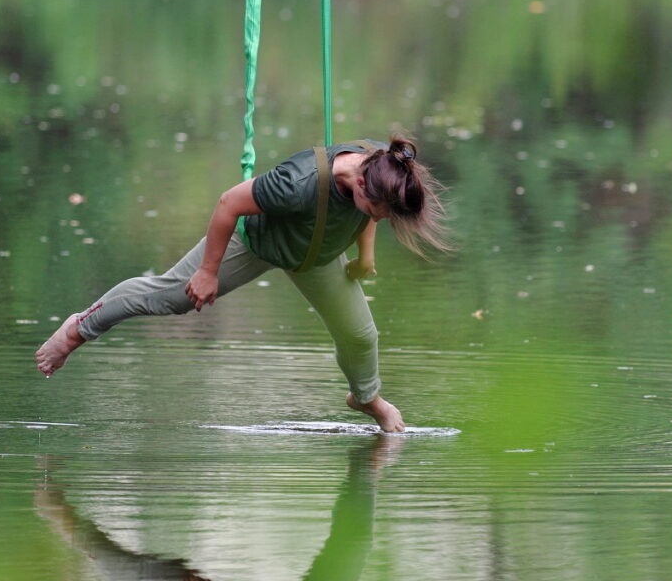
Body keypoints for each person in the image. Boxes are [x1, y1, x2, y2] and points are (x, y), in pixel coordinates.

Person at [35, 136, 449, 432]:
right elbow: (228, 203)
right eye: (377, 212)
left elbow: (365, 214)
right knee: (169, 298)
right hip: (256, 242)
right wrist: (207, 272)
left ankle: (366, 399)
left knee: (361, 336)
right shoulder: (297, 184)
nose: (376, 220)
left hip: (315, 255)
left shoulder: (382, 166)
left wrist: (365, 258)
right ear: (360, 183)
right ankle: (77, 329)